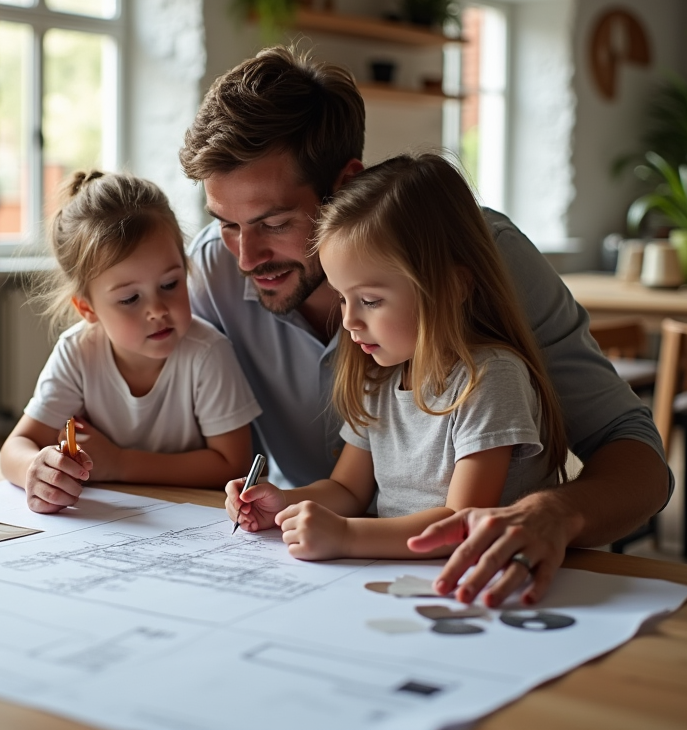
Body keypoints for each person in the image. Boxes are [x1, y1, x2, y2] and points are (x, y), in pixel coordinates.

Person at [181, 46, 670, 607]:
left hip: (484, 586)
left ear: (345, 187)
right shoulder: (212, 271)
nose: (245, 257)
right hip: (326, 578)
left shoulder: (478, 259)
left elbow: (635, 456)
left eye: (274, 222)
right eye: (225, 225)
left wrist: (553, 511)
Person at [227, 155, 568, 590]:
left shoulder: (491, 379)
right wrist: (282, 502)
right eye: (343, 298)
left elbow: (460, 526)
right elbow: (348, 491)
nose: (349, 321)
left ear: (451, 287)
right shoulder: (380, 378)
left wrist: (347, 535)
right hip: (401, 577)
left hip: (488, 585)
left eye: (369, 300)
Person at [0, 170, 261, 513]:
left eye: (170, 284)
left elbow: (233, 465)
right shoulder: (78, 351)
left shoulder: (206, 353)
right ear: (87, 308)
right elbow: (15, 447)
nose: (157, 310)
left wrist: (120, 463)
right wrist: (37, 470)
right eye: (129, 299)